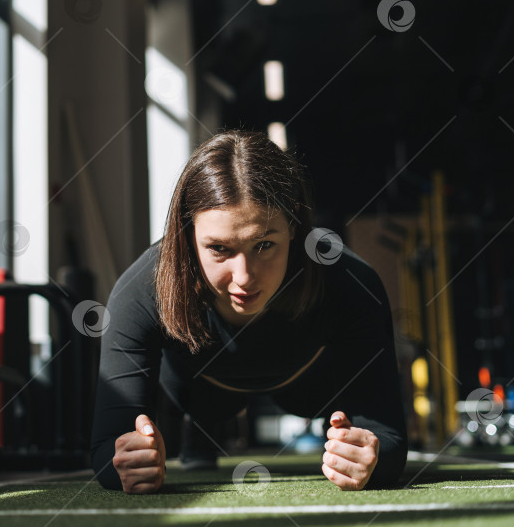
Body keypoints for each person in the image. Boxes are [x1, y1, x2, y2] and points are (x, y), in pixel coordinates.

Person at [90, 130, 407, 494]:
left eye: (264, 245)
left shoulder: (351, 282)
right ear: (188, 237)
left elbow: (389, 439)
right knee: (204, 408)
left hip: (310, 384)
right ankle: (202, 428)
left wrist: (365, 455)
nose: (244, 278)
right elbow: (105, 448)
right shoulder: (141, 292)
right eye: (220, 249)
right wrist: (126, 464)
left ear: (294, 227)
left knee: (327, 411)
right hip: (200, 388)